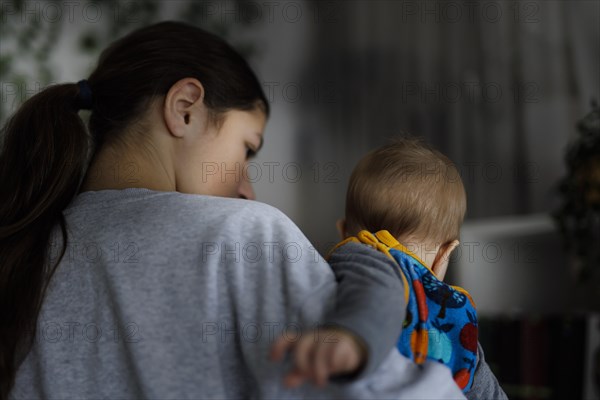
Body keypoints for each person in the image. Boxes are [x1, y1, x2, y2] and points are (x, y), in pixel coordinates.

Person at [0, 21, 466, 399]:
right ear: (184, 108)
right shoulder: (241, 234)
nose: (247, 190)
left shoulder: (29, 247)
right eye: (246, 150)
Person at [274, 139, 508, 400]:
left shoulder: (361, 252)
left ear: (343, 233)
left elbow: (377, 295)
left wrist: (351, 340)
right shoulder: (458, 323)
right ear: (445, 254)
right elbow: (487, 390)